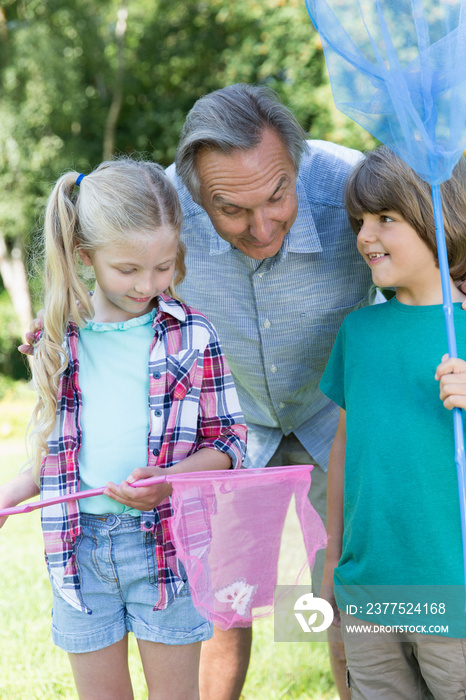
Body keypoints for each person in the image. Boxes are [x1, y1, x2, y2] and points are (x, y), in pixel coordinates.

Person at [19, 84, 376, 700]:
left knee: (345, 599)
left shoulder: (353, 186)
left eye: (277, 195)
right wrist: (65, 324)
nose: (262, 226)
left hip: (334, 421)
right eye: (231, 209)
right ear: (190, 192)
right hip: (231, 433)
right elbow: (106, 260)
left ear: (298, 164)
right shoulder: (158, 209)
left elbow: (440, 259)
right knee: (222, 606)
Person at [2, 158, 247, 700]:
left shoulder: (194, 337)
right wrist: (13, 492)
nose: (148, 284)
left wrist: (173, 477)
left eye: (163, 266)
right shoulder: (61, 339)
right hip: (76, 549)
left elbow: (230, 441)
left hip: (166, 546)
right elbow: (58, 452)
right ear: (86, 256)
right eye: (128, 269)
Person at [319, 146, 466, 699]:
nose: (364, 235)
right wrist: (334, 557)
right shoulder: (359, 333)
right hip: (369, 588)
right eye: (360, 221)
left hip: (453, 591)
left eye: (385, 218)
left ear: (438, 216)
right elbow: (343, 447)